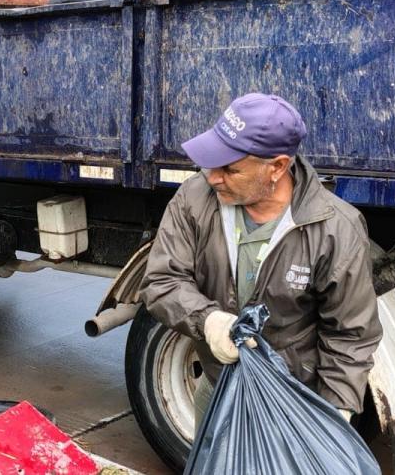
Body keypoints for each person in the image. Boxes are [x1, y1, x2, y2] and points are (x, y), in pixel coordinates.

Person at [142, 93, 382, 422]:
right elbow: (161, 281)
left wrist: (335, 414)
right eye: (212, 161)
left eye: (231, 168)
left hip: (292, 404)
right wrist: (209, 321)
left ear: (277, 167)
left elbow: (350, 334)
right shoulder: (194, 199)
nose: (213, 177)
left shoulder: (335, 229)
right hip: (217, 389)